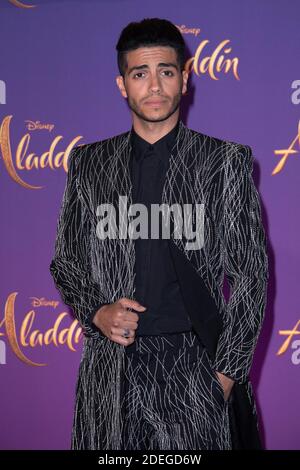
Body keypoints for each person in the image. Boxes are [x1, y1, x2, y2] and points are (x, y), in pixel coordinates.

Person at [50, 18, 268, 450]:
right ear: (121, 84)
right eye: (139, 74)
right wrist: (96, 311)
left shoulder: (223, 162)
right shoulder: (89, 164)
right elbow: (67, 260)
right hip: (110, 370)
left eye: (166, 72)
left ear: (184, 79)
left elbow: (250, 275)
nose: (154, 86)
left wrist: (225, 374)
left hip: (193, 366)